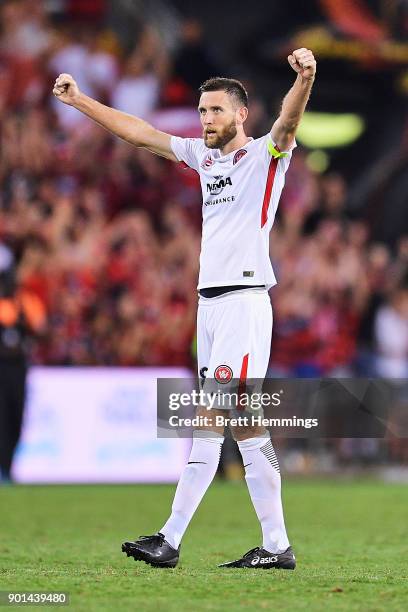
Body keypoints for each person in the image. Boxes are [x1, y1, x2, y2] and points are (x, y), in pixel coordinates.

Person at [53, 46, 316, 569]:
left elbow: (288, 121)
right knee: (245, 424)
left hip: (244, 301)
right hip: (211, 306)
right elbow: (140, 132)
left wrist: (305, 78)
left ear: (242, 113)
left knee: (210, 416)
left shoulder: (265, 155)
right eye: (202, 111)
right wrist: (80, 100)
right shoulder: (205, 157)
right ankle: (277, 546)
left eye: (217, 110)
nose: (207, 119)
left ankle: (169, 539)